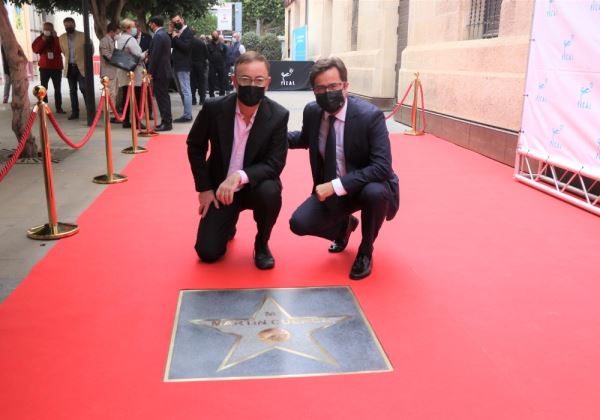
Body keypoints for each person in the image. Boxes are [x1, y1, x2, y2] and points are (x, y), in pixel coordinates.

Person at [288, 57, 400, 280]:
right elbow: (304, 138)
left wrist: (335, 185)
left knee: (375, 192)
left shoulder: (370, 116)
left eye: (333, 86)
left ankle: (366, 251)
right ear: (313, 91)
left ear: (345, 86)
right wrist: (271, 136)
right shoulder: (313, 112)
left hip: (365, 187)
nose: (327, 92)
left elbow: (382, 167)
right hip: (332, 189)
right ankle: (345, 227)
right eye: (320, 88)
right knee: (299, 223)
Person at [187, 51, 289, 269]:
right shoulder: (214, 108)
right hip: (220, 189)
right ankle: (228, 222)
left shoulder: (278, 115)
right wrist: (204, 189)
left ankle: (262, 243)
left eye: (259, 80)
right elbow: (195, 146)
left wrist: (240, 176)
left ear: (267, 83)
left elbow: (275, 164)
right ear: (233, 80)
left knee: (271, 192)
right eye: (245, 79)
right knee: (207, 252)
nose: (252, 85)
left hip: (255, 186)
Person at [115, 19, 145, 129]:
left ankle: (126, 120)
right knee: (136, 96)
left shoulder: (119, 38)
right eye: (132, 26)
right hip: (133, 72)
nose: (134, 29)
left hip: (123, 70)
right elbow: (138, 55)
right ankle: (137, 121)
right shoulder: (130, 39)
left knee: (126, 96)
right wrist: (145, 54)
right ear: (127, 28)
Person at [58, 17, 89, 120]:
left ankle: (90, 111)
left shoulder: (83, 35)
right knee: (72, 90)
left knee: (84, 88)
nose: (68, 27)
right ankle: (75, 112)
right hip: (70, 67)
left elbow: (90, 49)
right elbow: (63, 51)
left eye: (70, 25)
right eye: (66, 25)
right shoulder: (61, 38)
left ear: (74, 24)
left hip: (81, 67)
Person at [147, 15, 173, 132]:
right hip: (164, 71)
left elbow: (155, 56)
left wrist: (149, 72)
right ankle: (165, 121)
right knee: (163, 98)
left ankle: (166, 123)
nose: (149, 25)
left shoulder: (158, 36)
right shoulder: (164, 35)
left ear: (153, 23)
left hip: (160, 72)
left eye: (150, 23)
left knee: (162, 98)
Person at [32, 23, 64, 113]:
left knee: (57, 88)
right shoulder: (40, 38)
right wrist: (43, 40)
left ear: (52, 30)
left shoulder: (57, 39)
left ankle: (59, 107)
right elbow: (36, 50)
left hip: (56, 67)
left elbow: (61, 49)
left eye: (49, 29)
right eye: (45, 29)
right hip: (44, 67)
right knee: (43, 88)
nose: (47, 31)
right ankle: (44, 106)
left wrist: (55, 37)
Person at [168, 14, 193, 122]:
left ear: (182, 19)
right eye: (174, 22)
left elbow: (186, 48)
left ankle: (187, 115)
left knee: (186, 90)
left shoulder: (188, 31)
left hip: (183, 65)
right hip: (177, 65)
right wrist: (170, 32)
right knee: (182, 91)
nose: (177, 23)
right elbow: (169, 44)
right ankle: (186, 114)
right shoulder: (177, 32)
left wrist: (175, 37)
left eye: (178, 20)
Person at [98, 22, 119, 105]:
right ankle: (109, 113)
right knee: (110, 93)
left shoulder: (114, 41)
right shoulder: (104, 41)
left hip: (115, 71)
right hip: (108, 72)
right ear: (111, 31)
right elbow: (107, 56)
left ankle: (112, 112)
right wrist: (120, 59)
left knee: (114, 93)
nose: (118, 35)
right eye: (117, 33)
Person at [207, 31, 227, 97]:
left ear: (218, 35)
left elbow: (225, 55)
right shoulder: (208, 45)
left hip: (221, 65)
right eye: (213, 35)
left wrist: (224, 63)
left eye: (216, 35)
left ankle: (222, 94)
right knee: (211, 80)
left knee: (222, 80)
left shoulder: (223, 45)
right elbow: (207, 55)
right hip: (212, 65)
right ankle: (211, 95)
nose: (215, 36)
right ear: (212, 36)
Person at [190, 33, 208, 106]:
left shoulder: (188, 43)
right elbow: (206, 55)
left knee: (192, 83)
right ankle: (202, 100)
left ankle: (193, 100)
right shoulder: (201, 42)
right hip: (201, 65)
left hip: (191, 65)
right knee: (202, 83)